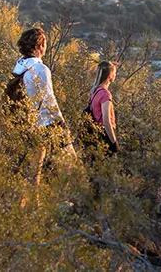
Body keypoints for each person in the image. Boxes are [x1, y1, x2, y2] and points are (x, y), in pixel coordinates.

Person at [13, 27, 76, 201]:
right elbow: (49, 100)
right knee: (71, 162)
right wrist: (62, 125)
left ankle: (32, 204)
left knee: (35, 169)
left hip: (30, 123)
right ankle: (65, 202)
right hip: (47, 123)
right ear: (40, 45)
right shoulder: (40, 69)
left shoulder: (20, 67)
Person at [87, 61, 119, 155]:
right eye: (115, 73)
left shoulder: (95, 91)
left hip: (96, 133)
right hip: (105, 135)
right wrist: (114, 142)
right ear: (110, 75)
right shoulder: (105, 94)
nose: (115, 75)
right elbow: (106, 121)